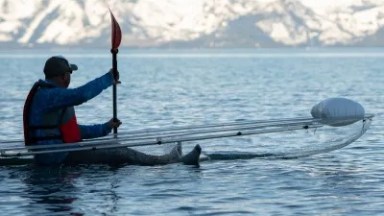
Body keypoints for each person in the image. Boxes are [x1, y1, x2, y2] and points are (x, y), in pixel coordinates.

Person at [23, 56, 201, 166]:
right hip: (57, 159)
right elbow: (82, 94)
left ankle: (170, 159)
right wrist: (108, 78)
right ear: (64, 76)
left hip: (61, 154)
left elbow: (74, 132)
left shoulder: (49, 95)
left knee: (114, 148)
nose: (70, 78)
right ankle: (170, 162)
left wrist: (105, 127)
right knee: (119, 152)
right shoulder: (50, 96)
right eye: (70, 74)